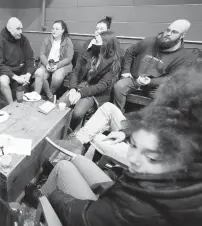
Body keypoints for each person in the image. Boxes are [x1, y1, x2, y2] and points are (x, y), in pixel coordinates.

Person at [25, 64, 202, 226]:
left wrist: (56, 195)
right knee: (77, 159)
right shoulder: (181, 176)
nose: (132, 158)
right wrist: (116, 169)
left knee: (63, 167)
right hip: (117, 191)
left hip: (99, 212)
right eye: (133, 145)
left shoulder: (141, 210)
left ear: (186, 162)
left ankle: (41, 197)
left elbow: (82, 216)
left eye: (152, 157)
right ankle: (74, 146)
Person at [113, 19, 191, 111]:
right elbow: (130, 52)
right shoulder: (149, 41)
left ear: (182, 35)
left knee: (167, 99)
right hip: (134, 79)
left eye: (174, 32)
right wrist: (126, 71)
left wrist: (150, 82)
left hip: (155, 86)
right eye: (168, 30)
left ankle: (148, 122)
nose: (168, 34)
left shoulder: (182, 57)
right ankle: (116, 116)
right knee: (119, 86)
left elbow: (172, 78)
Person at [59, 30, 121, 130]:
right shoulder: (89, 52)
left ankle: (71, 131)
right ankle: (58, 129)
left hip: (95, 93)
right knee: (60, 105)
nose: (93, 41)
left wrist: (80, 94)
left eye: (96, 40)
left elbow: (101, 86)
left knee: (77, 113)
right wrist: (73, 88)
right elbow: (75, 72)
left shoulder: (114, 62)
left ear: (106, 44)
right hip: (80, 85)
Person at [0, 17, 35, 104]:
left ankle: (34, 100)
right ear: (9, 28)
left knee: (39, 72)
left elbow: (30, 58)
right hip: (4, 70)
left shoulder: (23, 39)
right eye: (18, 29)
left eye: (21, 29)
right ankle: (11, 106)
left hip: (20, 69)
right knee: (4, 81)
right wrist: (16, 77)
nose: (21, 32)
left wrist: (28, 74)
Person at [33, 20, 74, 100]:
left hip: (62, 64)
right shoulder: (46, 40)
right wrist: (46, 64)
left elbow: (69, 58)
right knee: (40, 74)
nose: (54, 30)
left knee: (57, 78)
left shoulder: (68, 41)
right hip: (48, 63)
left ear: (63, 30)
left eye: (57, 29)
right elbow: (42, 54)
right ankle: (48, 95)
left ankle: (50, 93)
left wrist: (57, 66)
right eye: (53, 28)